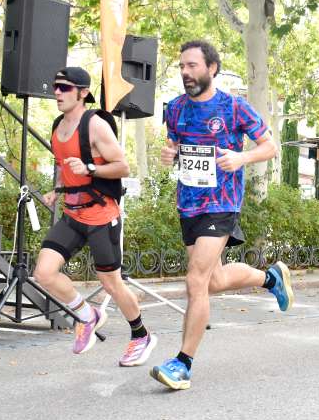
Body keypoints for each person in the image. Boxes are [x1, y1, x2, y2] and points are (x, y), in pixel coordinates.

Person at [151, 41, 291, 390]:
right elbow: (175, 146)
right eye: (182, 66)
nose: (186, 72)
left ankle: (182, 364)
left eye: (193, 65)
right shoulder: (175, 109)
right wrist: (170, 155)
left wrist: (242, 158)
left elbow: (269, 147)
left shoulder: (233, 107)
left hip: (222, 203)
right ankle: (270, 279)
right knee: (212, 281)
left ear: (212, 68)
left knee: (195, 281)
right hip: (188, 203)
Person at [36, 67, 156, 366]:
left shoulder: (95, 125)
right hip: (73, 214)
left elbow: (122, 167)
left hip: (102, 215)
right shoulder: (57, 126)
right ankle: (88, 316)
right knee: (44, 273)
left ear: (83, 92)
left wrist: (90, 169)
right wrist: (58, 190)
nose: (57, 92)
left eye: (64, 88)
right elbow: (70, 169)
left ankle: (141, 336)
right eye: (55, 86)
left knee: (111, 283)